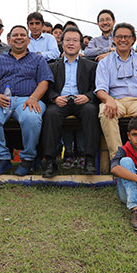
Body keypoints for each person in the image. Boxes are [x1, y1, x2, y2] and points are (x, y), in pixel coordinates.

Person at [0, 25, 53, 176]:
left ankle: (27, 159)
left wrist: (34, 98)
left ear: (28, 40)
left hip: (29, 99)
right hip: (1, 99)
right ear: (8, 40)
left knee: (32, 118)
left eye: (22, 35)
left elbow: (44, 82)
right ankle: (2, 158)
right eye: (15, 35)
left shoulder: (38, 59)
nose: (19, 37)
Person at [95, 22, 137, 158]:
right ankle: (118, 159)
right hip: (116, 100)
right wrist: (108, 100)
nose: (123, 40)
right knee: (105, 112)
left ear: (133, 39)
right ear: (113, 39)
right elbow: (100, 89)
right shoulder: (104, 62)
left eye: (127, 37)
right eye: (119, 36)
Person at [41, 27, 99, 178]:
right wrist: (54, 98)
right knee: (51, 113)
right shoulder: (53, 66)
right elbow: (48, 88)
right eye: (67, 40)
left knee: (91, 111)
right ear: (61, 43)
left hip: (82, 101)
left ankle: (90, 159)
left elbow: (96, 87)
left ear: (80, 44)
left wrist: (87, 96)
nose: (71, 43)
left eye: (75, 40)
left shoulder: (91, 65)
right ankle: (50, 161)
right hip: (61, 101)